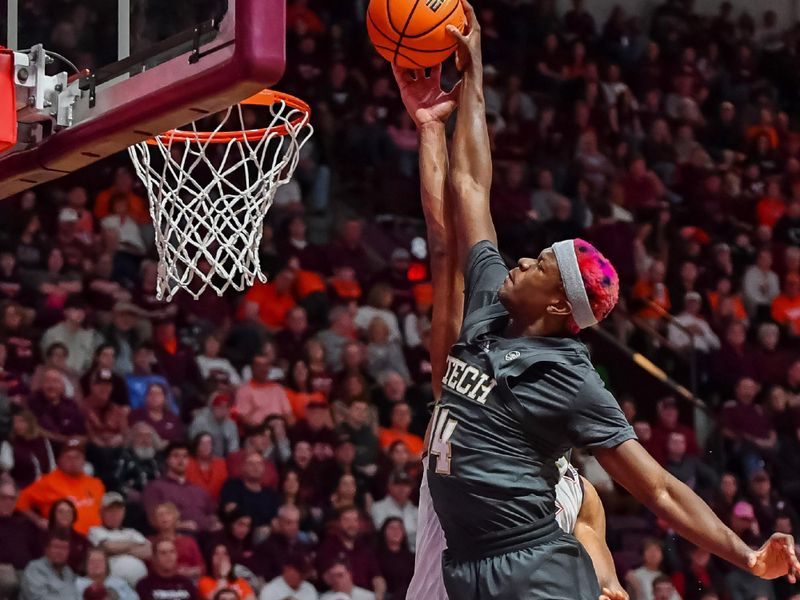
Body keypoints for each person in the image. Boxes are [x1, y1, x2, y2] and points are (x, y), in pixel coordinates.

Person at [397, 7, 800, 600]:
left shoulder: (567, 378)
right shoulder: (489, 303)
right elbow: (470, 191)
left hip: (529, 568)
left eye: (538, 264)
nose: (522, 261)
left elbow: (658, 489)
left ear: (560, 306)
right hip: (467, 569)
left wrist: (745, 554)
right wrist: (467, 83)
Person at [16, 438, 105, 535]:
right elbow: (18, 501)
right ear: (59, 460)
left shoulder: (96, 483)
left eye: (77, 457)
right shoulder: (46, 482)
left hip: (96, 539)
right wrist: (38, 520)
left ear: (84, 460)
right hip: (63, 540)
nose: (73, 461)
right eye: (69, 457)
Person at [142, 442, 219, 533]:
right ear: (168, 460)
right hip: (177, 535)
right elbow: (153, 519)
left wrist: (215, 523)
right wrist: (179, 525)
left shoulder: (198, 489)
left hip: (206, 534)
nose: (181, 460)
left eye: (185, 456)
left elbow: (213, 513)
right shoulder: (156, 487)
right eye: (176, 456)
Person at [87, 492, 150, 587]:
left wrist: (121, 549)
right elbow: (109, 547)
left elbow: (148, 551)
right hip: (113, 585)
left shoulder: (132, 532)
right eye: (110, 510)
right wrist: (134, 546)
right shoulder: (95, 531)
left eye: (118, 510)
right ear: (101, 512)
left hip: (139, 584)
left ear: (124, 512)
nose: (114, 514)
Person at [0, 480, 42, 600]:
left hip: (26, 574)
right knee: (9, 580)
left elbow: (38, 555)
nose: (8, 502)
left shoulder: (25, 524)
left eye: (12, 498)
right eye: (3, 497)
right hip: (5, 577)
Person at [19, 531, 78, 600]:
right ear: (47, 550)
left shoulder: (68, 572)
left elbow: (74, 594)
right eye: (56, 547)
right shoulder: (35, 568)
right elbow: (38, 598)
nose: (60, 552)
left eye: (64, 548)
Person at [370, 471, 417, 551]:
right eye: (397, 484)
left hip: (413, 555)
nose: (402, 488)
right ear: (389, 486)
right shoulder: (378, 508)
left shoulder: (416, 511)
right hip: (388, 554)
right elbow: (385, 535)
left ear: (411, 488)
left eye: (406, 484)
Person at [188, 394, 240, 458]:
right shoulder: (200, 421)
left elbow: (234, 449)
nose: (222, 411)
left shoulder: (231, 425)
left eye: (226, 407)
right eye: (219, 407)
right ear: (212, 408)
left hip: (222, 459)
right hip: (201, 457)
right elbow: (193, 444)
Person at [46, 498, 89, 575]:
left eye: (69, 512)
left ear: (74, 516)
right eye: (60, 511)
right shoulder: (43, 536)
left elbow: (86, 566)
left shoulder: (82, 540)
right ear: (53, 515)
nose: (65, 515)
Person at [376, 518, 414, 600]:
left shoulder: (411, 557)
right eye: (392, 528)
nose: (396, 531)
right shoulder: (376, 556)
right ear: (384, 531)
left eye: (399, 528)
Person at [186, 431, 229, 501]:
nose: (206, 446)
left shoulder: (221, 464)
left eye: (209, 443)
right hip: (194, 504)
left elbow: (226, 488)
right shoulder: (188, 464)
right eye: (202, 444)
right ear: (196, 446)